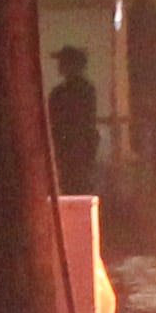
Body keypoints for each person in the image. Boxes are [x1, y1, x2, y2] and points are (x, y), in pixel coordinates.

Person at [48, 46, 102, 200]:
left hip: (69, 148)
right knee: (79, 186)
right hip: (80, 147)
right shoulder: (86, 90)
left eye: (63, 62)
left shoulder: (61, 93)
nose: (59, 65)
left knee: (72, 186)